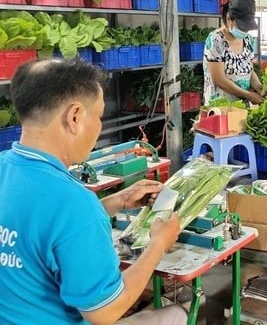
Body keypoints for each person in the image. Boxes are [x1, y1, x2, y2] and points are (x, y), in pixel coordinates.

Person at [0, 58, 185, 325]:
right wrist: (158, 244)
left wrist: (115, 202)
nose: (99, 128)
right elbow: (104, 312)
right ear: (75, 117)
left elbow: (38, 227)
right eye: (98, 116)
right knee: (176, 315)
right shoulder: (74, 203)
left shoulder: (6, 167)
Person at [203, 0, 263, 105]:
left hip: (242, 105)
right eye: (242, 27)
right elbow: (219, 79)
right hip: (220, 106)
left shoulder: (248, 40)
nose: (245, 31)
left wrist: (259, 87)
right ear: (229, 19)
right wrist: (248, 95)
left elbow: (249, 70)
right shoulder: (216, 39)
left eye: (247, 28)